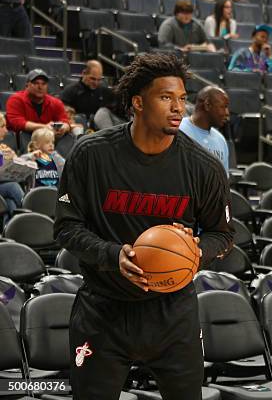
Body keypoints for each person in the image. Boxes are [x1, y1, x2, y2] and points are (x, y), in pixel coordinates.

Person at [54, 52, 234, 399]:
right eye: (165, 97)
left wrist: (197, 251)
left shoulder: (203, 167)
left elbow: (223, 235)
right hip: (104, 309)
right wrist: (111, 254)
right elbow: (65, 228)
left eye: (182, 98)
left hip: (173, 313)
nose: (177, 107)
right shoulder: (91, 154)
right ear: (137, 102)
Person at [179, 86, 230, 175]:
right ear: (207, 105)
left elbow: (223, 181)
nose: (227, 113)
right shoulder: (178, 130)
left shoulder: (220, 140)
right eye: (223, 107)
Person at [5, 69, 70, 136]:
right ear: (27, 85)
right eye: (36, 83)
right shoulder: (16, 99)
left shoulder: (56, 102)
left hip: (48, 142)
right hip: (20, 142)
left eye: (43, 84)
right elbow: (17, 123)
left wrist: (64, 127)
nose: (40, 87)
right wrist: (44, 127)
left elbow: (66, 122)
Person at [0, 112, 24, 224]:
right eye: (2, 126)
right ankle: (31, 215)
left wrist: (13, 158)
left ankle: (9, 230)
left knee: (10, 203)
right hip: (6, 186)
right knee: (13, 187)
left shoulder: (3, 147)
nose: (6, 131)